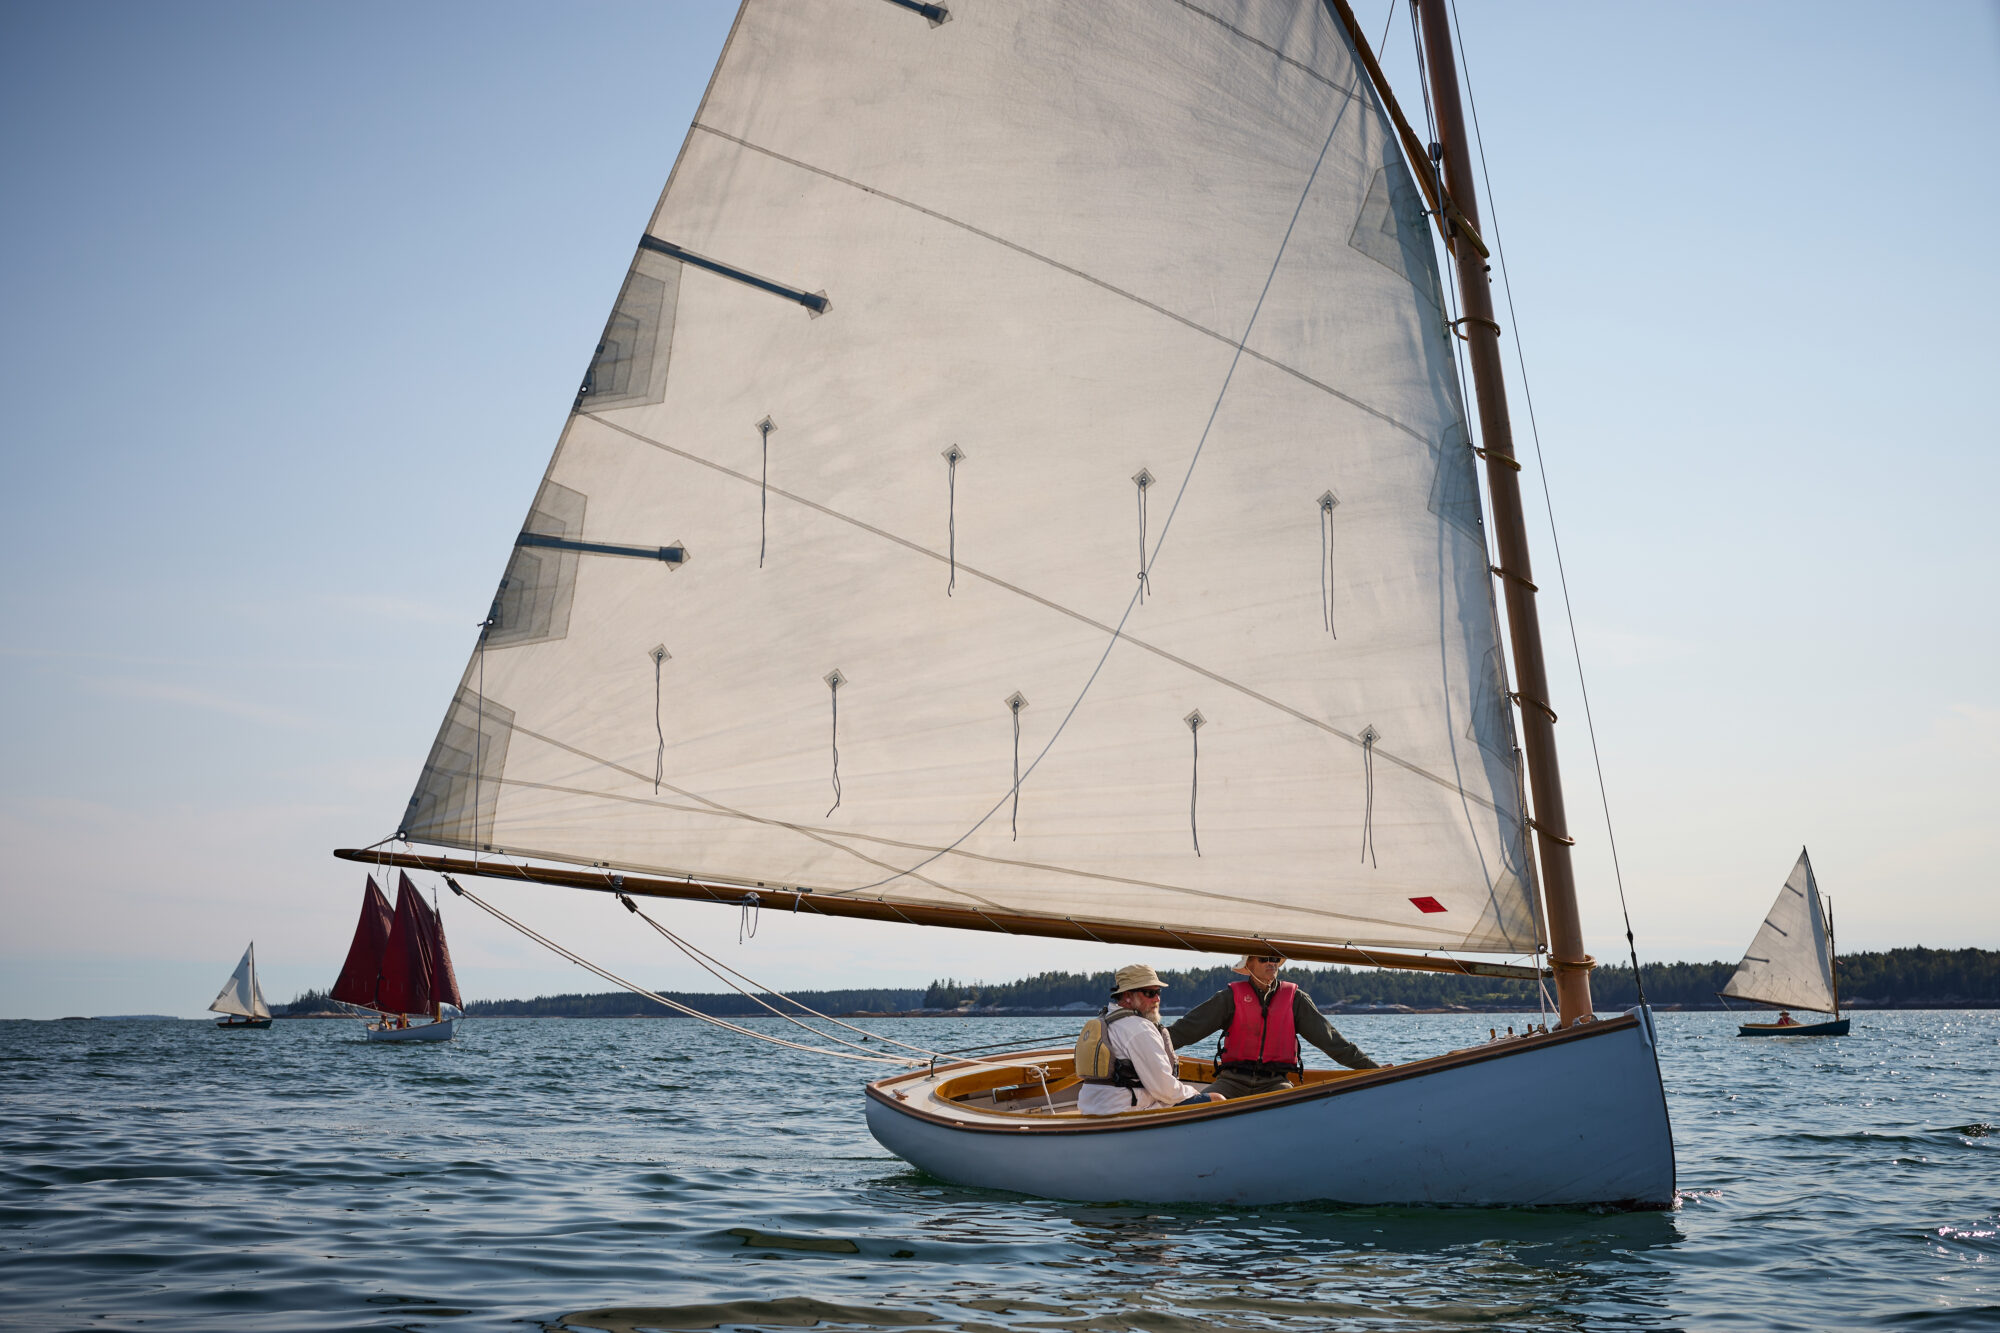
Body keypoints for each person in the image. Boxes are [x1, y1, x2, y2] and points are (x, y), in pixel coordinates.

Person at [1168, 953, 1378, 1099]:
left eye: (1275, 959)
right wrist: (1148, 1047)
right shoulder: (1229, 998)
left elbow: (1332, 1042)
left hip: (1274, 1082)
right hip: (1232, 1081)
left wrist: (1373, 1069)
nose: (1271, 964)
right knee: (1200, 1106)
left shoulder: (1295, 999)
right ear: (1249, 964)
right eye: (1264, 959)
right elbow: (1185, 1030)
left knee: (1292, 1106)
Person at [1076, 964, 1227, 1115]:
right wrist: (1195, 1093)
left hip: (1091, 1110)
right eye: (1149, 993)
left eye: (1158, 991)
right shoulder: (1139, 1028)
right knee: (1217, 1100)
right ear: (1127, 996)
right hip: (1125, 1111)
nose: (1157, 998)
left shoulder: (1107, 1020)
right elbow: (1164, 1089)